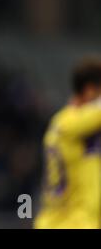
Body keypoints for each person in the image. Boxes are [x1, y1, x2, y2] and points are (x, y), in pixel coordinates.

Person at [34, 58, 101, 229]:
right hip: (73, 221)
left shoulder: (63, 122)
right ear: (90, 91)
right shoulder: (70, 124)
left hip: (54, 221)